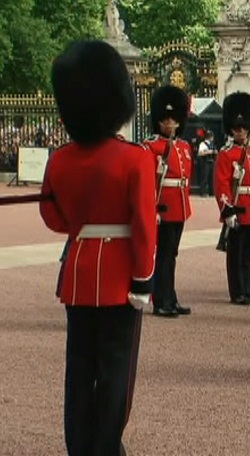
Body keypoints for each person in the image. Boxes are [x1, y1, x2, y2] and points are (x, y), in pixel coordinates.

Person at [40, 39, 156, 456]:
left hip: (78, 276)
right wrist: (144, 278)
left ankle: (80, 447)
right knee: (115, 374)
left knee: (79, 372)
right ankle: (106, 448)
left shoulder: (61, 160)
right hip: (121, 280)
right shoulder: (135, 159)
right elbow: (143, 225)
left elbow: (54, 220)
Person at [145, 86, 193, 317]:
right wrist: (153, 208)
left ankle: (170, 297)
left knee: (171, 254)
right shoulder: (151, 147)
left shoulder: (183, 147)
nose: (170, 124)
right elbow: (148, 183)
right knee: (163, 255)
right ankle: (160, 300)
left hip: (179, 207)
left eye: (174, 120)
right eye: (165, 120)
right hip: (163, 209)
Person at [215, 92, 250, 305]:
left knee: (247, 252)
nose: (241, 132)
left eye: (244, 128)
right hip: (238, 207)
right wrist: (227, 209)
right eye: (237, 129)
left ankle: (248, 287)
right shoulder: (226, 154)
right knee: (235, 253)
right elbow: (221, 184)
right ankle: (237, 291)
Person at [196, 130, 217, 197]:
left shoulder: (212, 145)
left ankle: (212, 192)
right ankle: (203, 192)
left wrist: (215, 152)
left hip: (212, 162)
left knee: (212, 178)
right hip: (206, 163)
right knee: (204, 178)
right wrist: (208, 152)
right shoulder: (203, 144)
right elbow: (200, 153)